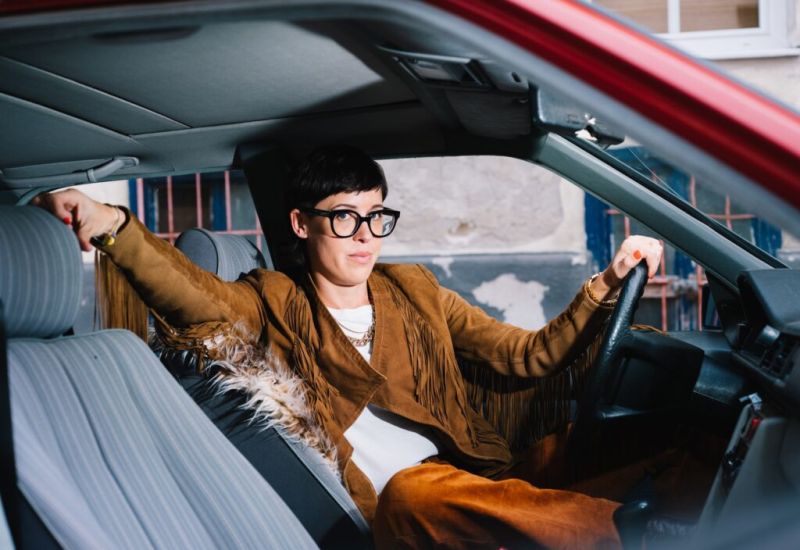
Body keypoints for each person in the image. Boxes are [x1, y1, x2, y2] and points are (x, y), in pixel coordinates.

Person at [35, 145, 663, 549]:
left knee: (608, 446)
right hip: (400, 514)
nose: (365, 236)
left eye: (375, 216)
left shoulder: (415, 289)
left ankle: (678, 519)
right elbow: (194, 298)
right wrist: (114, 225)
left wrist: (607, 283)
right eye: (344, 217)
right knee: (415, 491)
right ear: (301, 224)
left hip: (475, 482)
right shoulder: (272, 301)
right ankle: (640, 536)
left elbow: (527, 357)